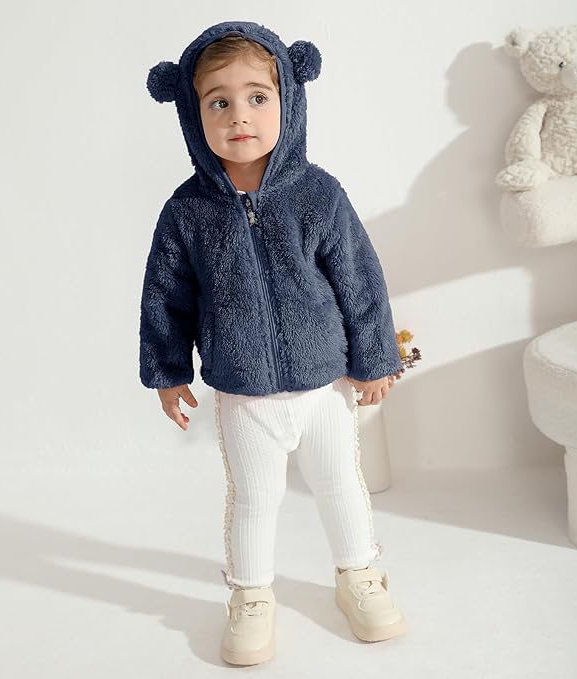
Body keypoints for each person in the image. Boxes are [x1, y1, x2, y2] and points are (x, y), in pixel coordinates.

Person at [140, 21, 406, 665]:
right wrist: (168, 372)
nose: (239, 115)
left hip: (325, 386)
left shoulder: (318, 194)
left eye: (257, 97)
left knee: (341, 484)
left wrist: (375, 359)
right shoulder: (186, 212)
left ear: (289, 97)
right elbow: (165, 298)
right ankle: (252, 595)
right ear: (191, 114)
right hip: (243, 393)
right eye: (218, 101)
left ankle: (358, 576)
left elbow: (361, 281)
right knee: (255, 499)